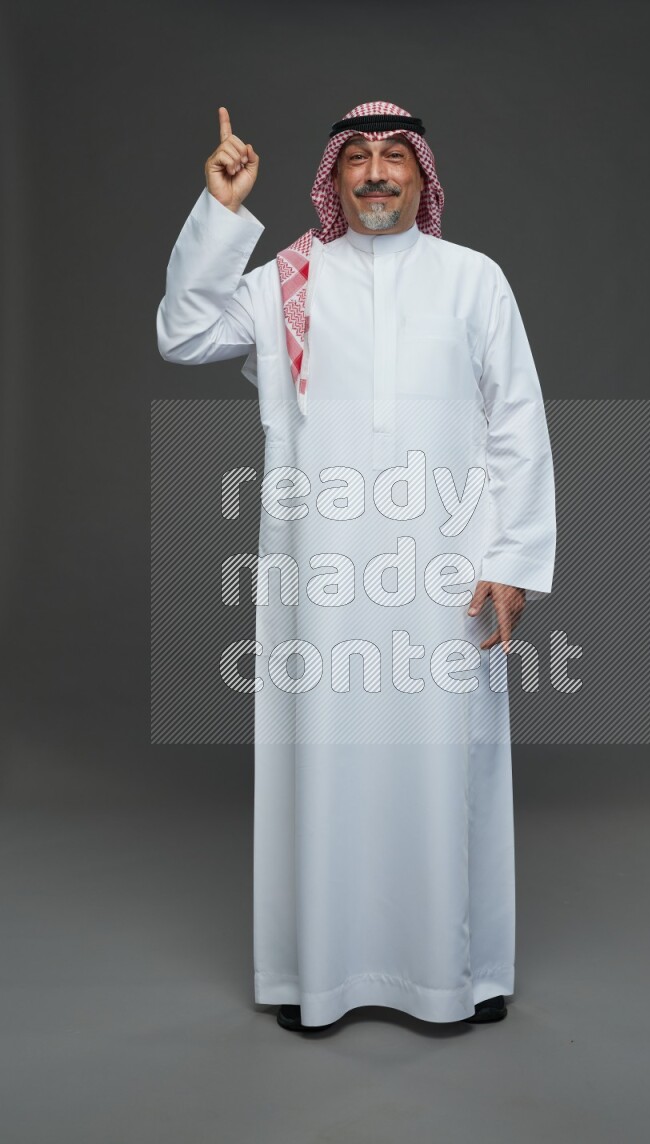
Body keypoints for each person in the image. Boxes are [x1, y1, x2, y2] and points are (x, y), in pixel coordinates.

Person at [156, 100, 557, 1032]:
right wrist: (220, 213)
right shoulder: (293, 278)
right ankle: (320, 978)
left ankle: (461, 973)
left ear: (423, 173)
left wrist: (513, 560)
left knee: (449, 760)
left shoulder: (473, 281)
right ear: (333, 178)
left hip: (447, 576)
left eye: (394, 157)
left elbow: (518, 425)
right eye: (358, 160)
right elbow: (184, 334)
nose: (377, 174)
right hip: (321, 579)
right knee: (323, 757)